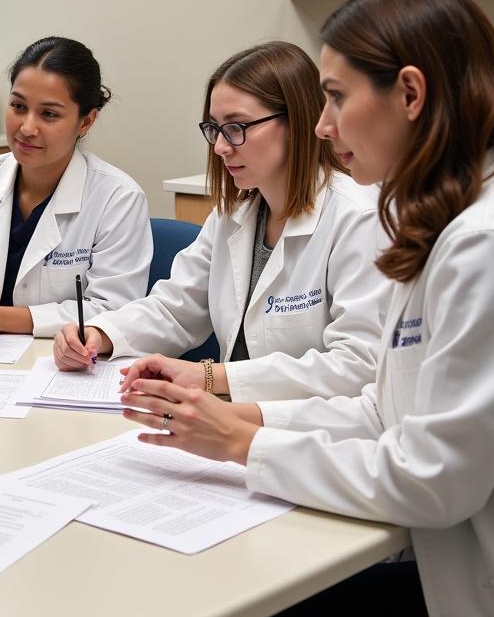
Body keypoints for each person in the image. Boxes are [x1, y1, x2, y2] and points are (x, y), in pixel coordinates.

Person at [123, 0, 494, 617]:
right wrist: (237, 420)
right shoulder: (452, 217)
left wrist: (246, 442)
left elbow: (434, 477)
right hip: (463, 570)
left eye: (338, 97)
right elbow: (385, 404)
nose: (324, 123)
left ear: (409, 92)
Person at [54, 40, 390, 406]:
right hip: (233, 422)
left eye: (237, 127)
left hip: (315, 435)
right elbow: (176, 308)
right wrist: (100, 334)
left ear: (297, 121)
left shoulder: (357, 217)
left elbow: (358, 364)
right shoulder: (235, 215)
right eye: (215, 129)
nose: (220, 147)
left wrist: (212, 376)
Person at [0, 35, 152, 343]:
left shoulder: (118, 198)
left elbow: (115, 309)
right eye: (18, 106)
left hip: (63, 364)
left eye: (49, 114)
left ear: (86, 121)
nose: (27, 127)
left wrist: (6, 319)